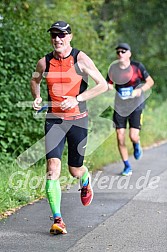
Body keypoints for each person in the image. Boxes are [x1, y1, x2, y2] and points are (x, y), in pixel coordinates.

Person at [30, 20, 108, 235]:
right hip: (54, 120)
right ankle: (58, 220)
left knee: (74, 170)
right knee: (53, 168)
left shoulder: (80, 59)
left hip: (78, 120)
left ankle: (85, 178)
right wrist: (36, 97)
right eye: (54, 35)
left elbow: (103, 84)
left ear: (70, 37)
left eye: (62, 35)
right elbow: (35, 81)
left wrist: (77, 98)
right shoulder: (44, 62)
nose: (57, 39)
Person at [106, 43, 154, 176]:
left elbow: (150, 82)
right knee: (120, 137)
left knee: (133, 135)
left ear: (129, 53)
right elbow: (109, 85)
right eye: (118, 52)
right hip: (120, 106)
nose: (120, 54)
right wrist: (106, 88)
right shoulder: (113, 69)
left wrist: (140, 90)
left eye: (123, 51)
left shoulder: (137, 67)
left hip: (136, 105)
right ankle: (127, 166)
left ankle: (136, 143)